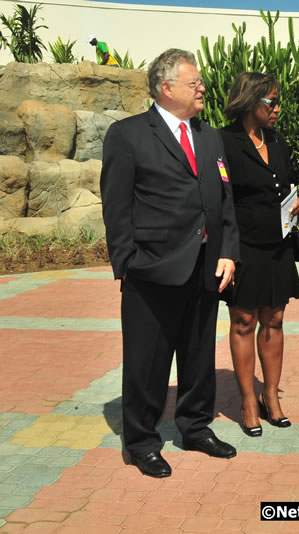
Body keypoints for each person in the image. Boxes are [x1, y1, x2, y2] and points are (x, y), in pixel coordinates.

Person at [101, 48, 240, 478]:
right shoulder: (128, 134)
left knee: (198, 357)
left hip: (205, 267)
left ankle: (195, 427)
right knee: (148, 361)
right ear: (166, 88)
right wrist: (127, 262)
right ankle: (141, 442)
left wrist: (228, 251)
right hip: (152, 268)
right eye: (194, 82)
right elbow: (116, 204)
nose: (202, 87)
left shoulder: (210, 135)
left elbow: (224, 198)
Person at [218, 72, 299, 436]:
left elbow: (283, 186)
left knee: (275, 320)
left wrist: (298, 204)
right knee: (243, 321)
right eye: (272, 101)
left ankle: (271, 396)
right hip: (243, 247)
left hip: (279, 245)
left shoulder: (277, 140)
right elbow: (219, 201)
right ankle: (248, 401)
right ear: (250, 101)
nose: (277, 108)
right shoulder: (223, 142)